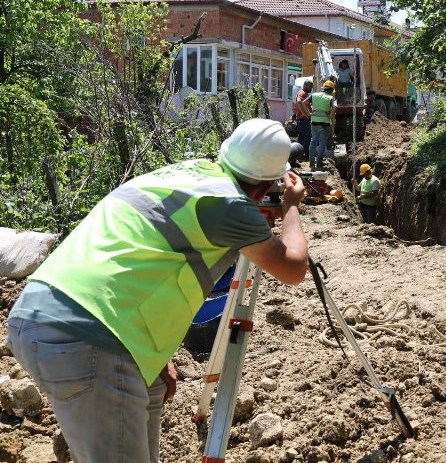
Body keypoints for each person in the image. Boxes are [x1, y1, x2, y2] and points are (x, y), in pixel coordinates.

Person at [6, 119, 308, 463]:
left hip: (43, 311)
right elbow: (293, 267)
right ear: (263, 186)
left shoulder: (186, 173)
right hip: (88, 337)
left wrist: (155, 358)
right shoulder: (230, 204)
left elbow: (141, 262)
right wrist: (292, 206)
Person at [308, 80, 336, 171]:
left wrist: (308, 113)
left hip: (314, 122)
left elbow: (303, 103)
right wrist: (330, 116)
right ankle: (319, 162)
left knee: (313, 142)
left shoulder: (314, 95)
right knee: (322, 143)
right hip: (325, 123)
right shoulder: (330, 98)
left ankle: (311, 162)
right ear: (331, 90)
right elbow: (335, 106)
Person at [294, 79, 313, 160]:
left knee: (301, 139)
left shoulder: (304, 94)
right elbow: (299, 102)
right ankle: (307, 156)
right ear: (305, 85)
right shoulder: (302, 93)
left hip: (301, 119)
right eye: (310, 87)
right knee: (307, 138)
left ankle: (299, 156)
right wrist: (305, 114)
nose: (311, 89)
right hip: (303, 119)